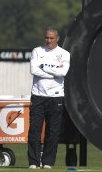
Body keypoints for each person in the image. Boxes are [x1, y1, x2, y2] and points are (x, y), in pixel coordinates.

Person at [27, 27, 70, 169]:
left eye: (52, 38)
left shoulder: (64, 54)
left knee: (53, 132)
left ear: (58, 38)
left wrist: (44, 67)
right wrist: (54, 73)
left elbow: (63, 72)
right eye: (47, 38)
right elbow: (34, 70)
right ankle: (33, 162)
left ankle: (47, 162)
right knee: (34, 130)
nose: (49, 40)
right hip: (38, 96)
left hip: (56, 97)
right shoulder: (37, 51)